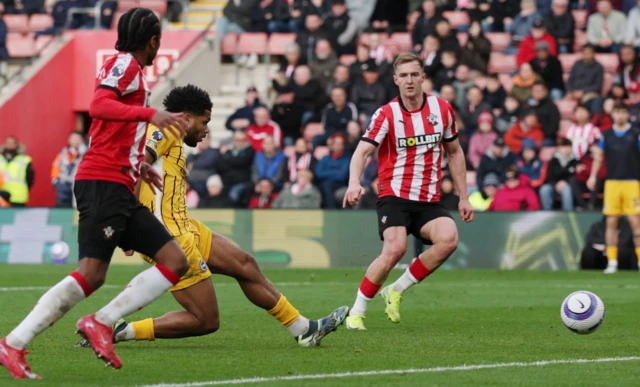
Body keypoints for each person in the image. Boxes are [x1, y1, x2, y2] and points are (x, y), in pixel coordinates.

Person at [0, 8, 192, 379]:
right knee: (91, 273)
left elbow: (110, 131)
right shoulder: (126, 66)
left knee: (175, 260)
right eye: (158, 42)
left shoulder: (126, 68)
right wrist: (149, 114)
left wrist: (139, 165)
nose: (158, 48)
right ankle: (14, 342)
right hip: (103, 182)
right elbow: (98, 106)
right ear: (152, 41)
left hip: (119, 182)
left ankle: (102, 321)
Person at [85, 85, 347, 348]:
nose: (206, 129)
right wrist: (127, 227)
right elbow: (134, 167)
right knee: (206, 321)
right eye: (205, 121)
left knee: (244, 264)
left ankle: (303, 329)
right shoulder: (164, 130)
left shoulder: (172, 135)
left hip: (184, 225)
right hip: (170, 238)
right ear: (187, 118)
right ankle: (119, 330)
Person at [341, 53, 474, 330]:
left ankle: (396, 290)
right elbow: (362, 151)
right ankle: (357, 310)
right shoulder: (387, 113)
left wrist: (463, 196)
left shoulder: (442, 109)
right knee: (395, 249)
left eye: (414, 74)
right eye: (403, 76)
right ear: (395, 80)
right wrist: (354, 182)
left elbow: (455, 151)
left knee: (448, 239)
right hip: (394, 195)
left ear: (423, 77)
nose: (409, 81)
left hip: (427, 198)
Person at [587, 102, 640, 273]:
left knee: (635, 222)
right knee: (611, 222)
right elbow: (599, 156)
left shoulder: (635, 133)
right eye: (617, 112)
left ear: (627, 115)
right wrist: (593, 175)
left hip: (632, 182)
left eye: (623, 112)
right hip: (613, 183)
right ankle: (612, 261)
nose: (620, 115)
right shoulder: (606, 135)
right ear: (613, 114)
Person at [51, 131, 86, 208]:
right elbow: (55, 166)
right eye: (73, 138)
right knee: (62, 213)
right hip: (63, 188)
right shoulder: (63, 152)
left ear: (82, 140)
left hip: (80, 189)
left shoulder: (86, 153)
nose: (74, 141)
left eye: (77, 138)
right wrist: (55, 181)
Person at [539, 138, 576, 210]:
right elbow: (550, 176)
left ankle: (567, 213)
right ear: (559, 148)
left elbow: (574, 176)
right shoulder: (553, 160)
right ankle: (546, 212)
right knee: (544, 189)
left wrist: (565, 181)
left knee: (566, 189)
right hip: (553, 185)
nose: (566, 149)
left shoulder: (575, 161)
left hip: (567, 185)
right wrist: (557, 183)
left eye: (568, 147)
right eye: (564, 147)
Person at [567, 44, 604, 113]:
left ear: (593, 54)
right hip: (574, 92)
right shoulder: (577, 64)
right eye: (585, 52)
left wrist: (583, 91)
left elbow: (597, 86)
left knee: (595, 101)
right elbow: (570, 80)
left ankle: (593, 121)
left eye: (589, 52)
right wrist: (571, 91)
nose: (587, 55)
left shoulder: (598, 67)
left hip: (590, 94)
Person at [0, 136, 35, 206]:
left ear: (17, 145)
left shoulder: (24, 159)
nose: (10, 145)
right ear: (4, 144)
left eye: (12, 143)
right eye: (8, 143)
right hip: (2, 196)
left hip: (18, 197)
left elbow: (30, 179)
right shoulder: (1, 158)